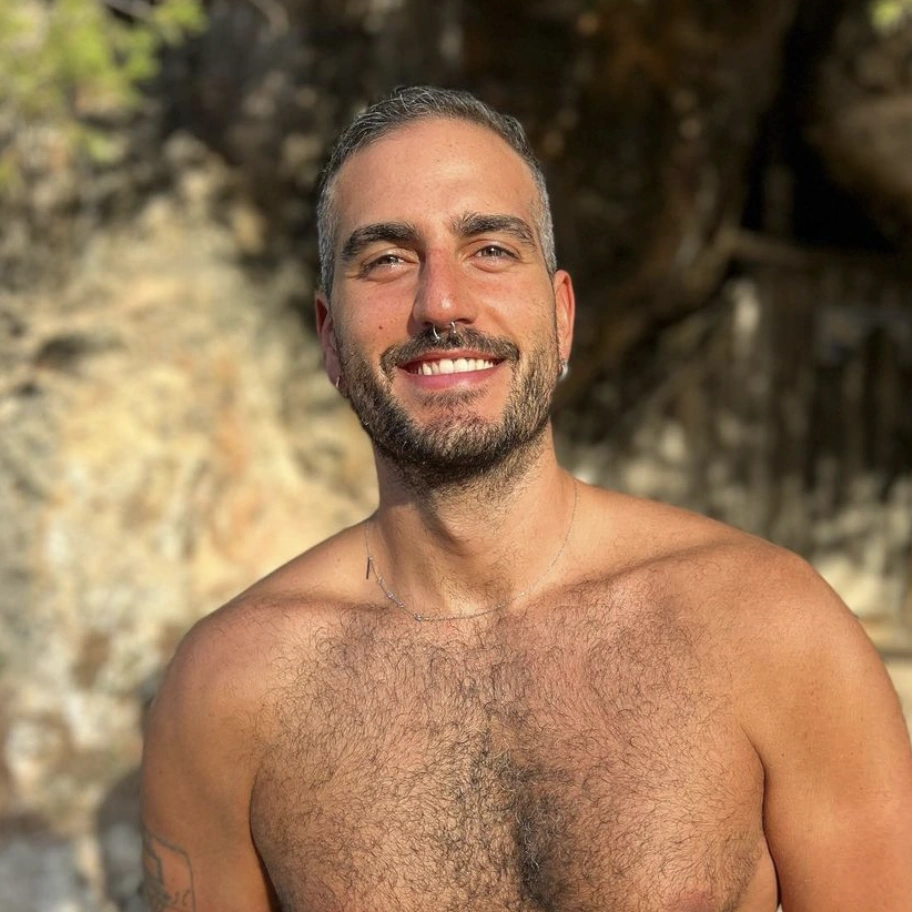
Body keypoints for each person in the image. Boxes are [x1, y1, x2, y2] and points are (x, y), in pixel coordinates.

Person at [140, 85, 912, 912]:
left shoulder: (771, 628)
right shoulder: (227, 693)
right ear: (330, 337)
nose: (442, 303)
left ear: (562, 315)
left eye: (491, 250)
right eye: (388, 259)